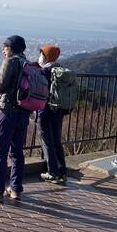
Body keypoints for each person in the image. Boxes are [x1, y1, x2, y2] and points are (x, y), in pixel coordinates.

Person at [0, 35, 29, 203]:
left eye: (5, 47)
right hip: (23, 111)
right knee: (17, 152)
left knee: (0, 152)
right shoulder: (26, 62)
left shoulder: (10, 61)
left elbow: (0, 85)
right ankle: (16, 189)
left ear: (12, 48)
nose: (3, 50)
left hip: (8, 111)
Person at [36, 44, 67, 184]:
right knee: (57, 141)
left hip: (45, 111)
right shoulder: (60, 71)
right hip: (58, 111)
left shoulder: (44, 72)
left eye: (42, 54)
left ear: (46, 56)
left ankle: (53, 172)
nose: (40, 57)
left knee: (47, 141)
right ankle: (62, 172)